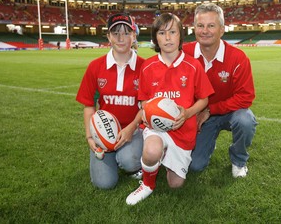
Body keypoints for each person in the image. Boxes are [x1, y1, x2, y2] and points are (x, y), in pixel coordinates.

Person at [126, 13, 214, 205]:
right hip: (156, 128)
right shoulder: (148, 67)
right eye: (162, 32)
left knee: (176, 184)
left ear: (180, 36)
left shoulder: (193, 65)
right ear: (155, 38)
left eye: (172, 32)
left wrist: (188, 113)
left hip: (183, 131)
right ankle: (148, 184)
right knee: (151, 151)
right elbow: (143, 102)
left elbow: (204, 99)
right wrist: (149, 111)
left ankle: (164, 158)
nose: (167, 37)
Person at [183, 3, 258, 178]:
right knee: (195, 166)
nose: (205, 31)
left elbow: (246, 97)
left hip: (229, 112)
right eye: (200, 26)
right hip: (199, 114)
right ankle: (208, 141)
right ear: (194, 28)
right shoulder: (184, 53)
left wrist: (211, 110)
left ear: (222, 30)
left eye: (211, 25)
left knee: (245, 120)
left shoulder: (238, 58)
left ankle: (239, 161)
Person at [76, 13, 145, 189]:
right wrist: (90, 136)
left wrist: (131, 128)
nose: (121, 38)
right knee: (104, 184)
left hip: (134, 131)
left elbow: (147, 107)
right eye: (115, 33)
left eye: (126, 32)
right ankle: (113, 156)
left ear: (134, 35)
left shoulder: (145, 67)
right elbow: (89, 105)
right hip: (104, 131)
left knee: (129, 160)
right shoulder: (95, 67)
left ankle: (132, 163)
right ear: (108, 37)